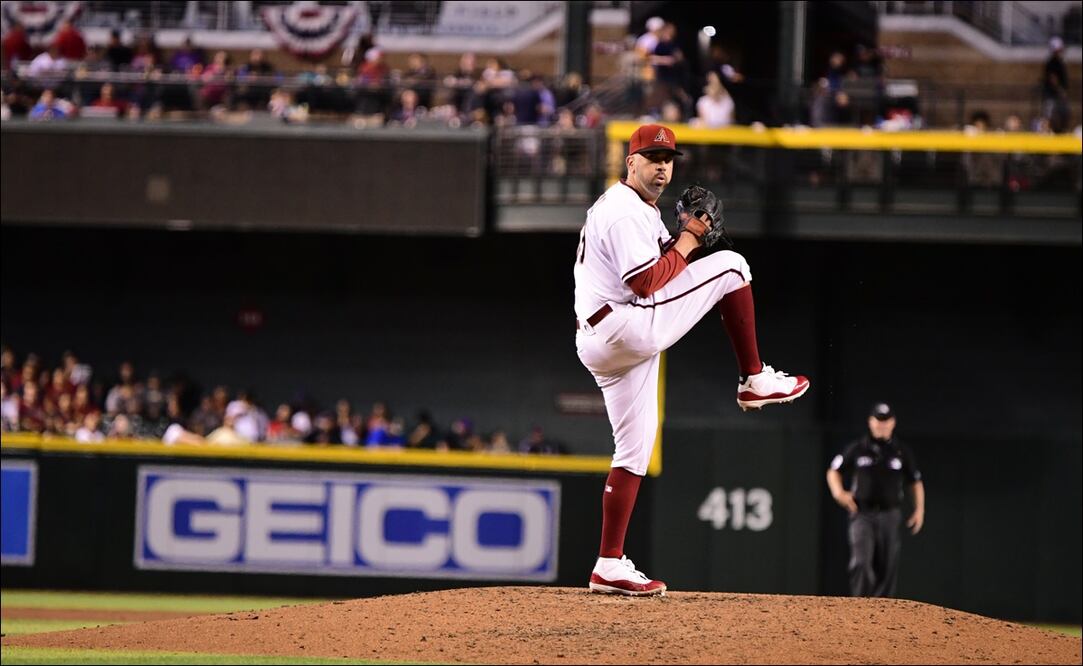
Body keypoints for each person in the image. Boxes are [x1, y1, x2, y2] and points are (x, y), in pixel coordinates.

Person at [574, 123, 810, 596]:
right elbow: (646, 282)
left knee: (635, 448)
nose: (662, 167)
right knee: (733, 267)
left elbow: (659, 265)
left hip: (607, 337)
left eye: (668, 160)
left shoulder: (639, 208)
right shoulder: (623, 211)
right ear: (630, 162)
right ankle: (753, 379)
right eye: (652, 158)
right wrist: (690, 240)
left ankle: (609, 563)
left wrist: (679, 240)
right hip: (624, 323)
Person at [826, 402, 925, 598]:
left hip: (890, 513)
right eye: (878, 420)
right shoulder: (858, 448)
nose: (882, 424)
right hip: (862, 513)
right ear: (870, 422)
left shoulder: (901, 451)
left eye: (886, 420)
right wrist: (839, 493)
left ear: (893, 423)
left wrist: (919, 509)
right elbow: (833, 471)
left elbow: (915, 481)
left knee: (887, 565)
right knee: (861, 562)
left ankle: (882, 617)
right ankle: (861, 610)